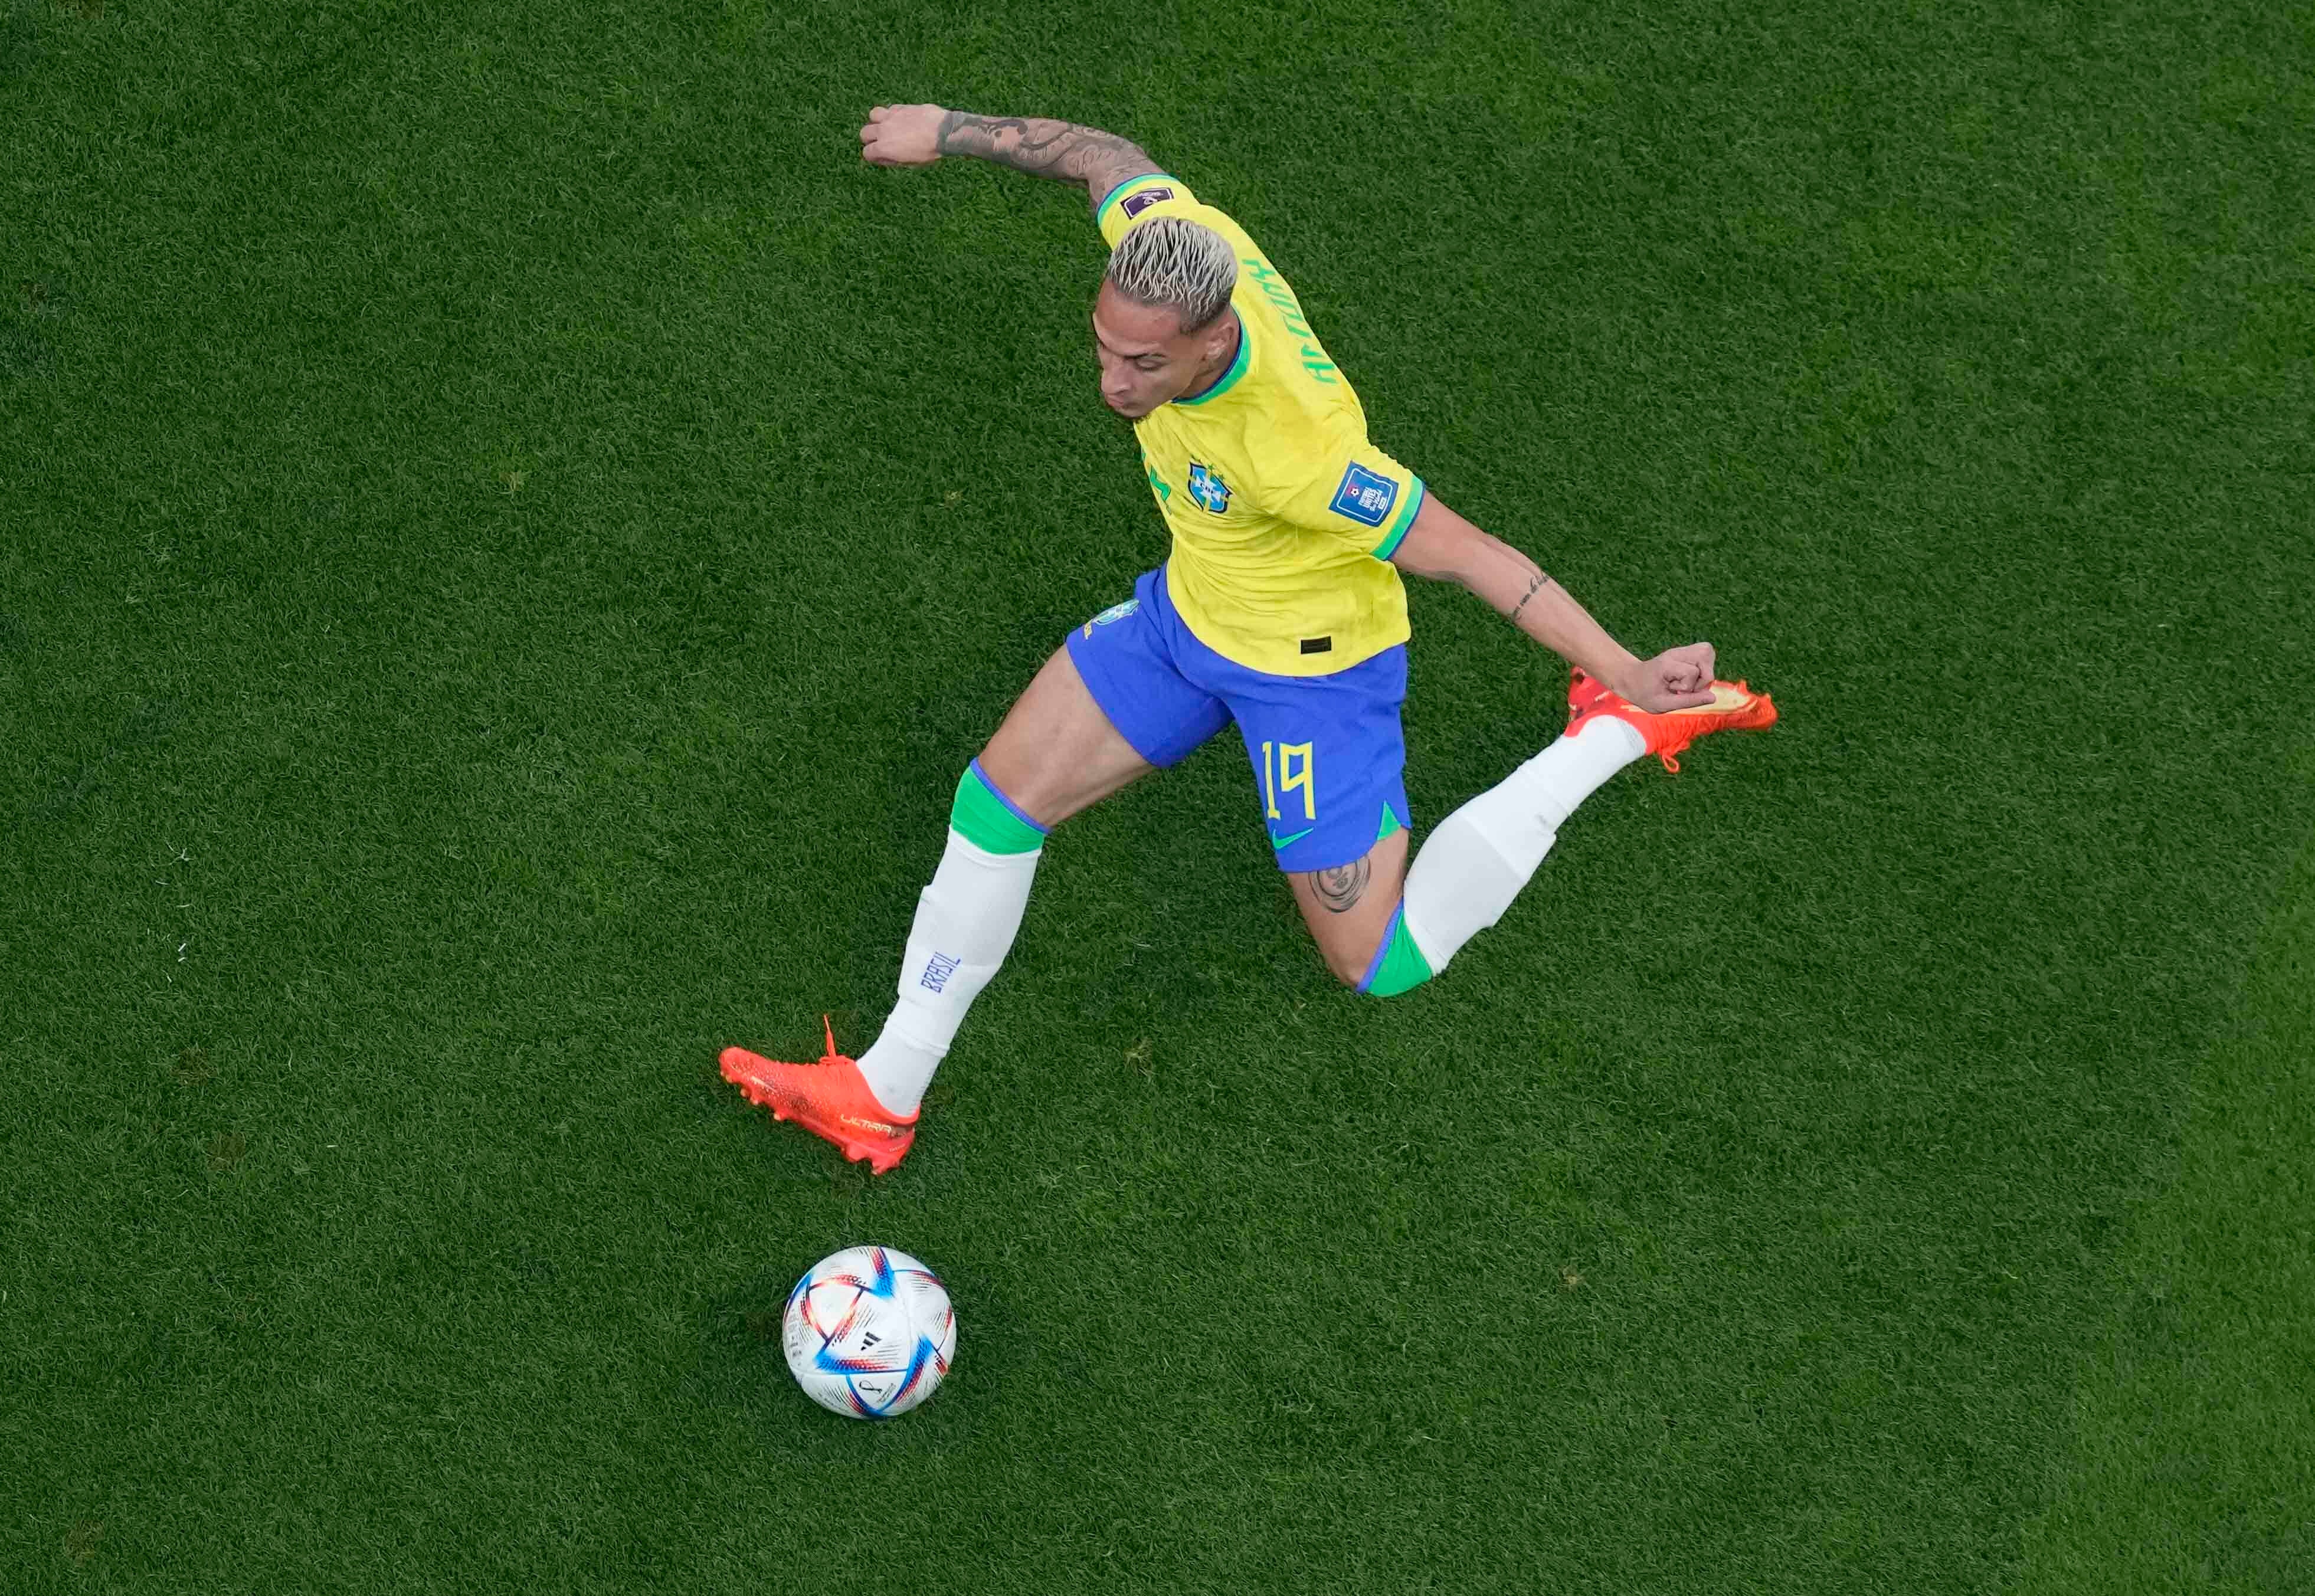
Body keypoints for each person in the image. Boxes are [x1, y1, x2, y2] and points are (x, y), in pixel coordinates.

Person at [720, 105, 1777, 1172]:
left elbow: (1473, 558)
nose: (1112, 384)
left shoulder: (1301, 451)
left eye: (1143, 364)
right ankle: (882, 1091)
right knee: (996, 803)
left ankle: (1616, 730)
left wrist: (1629, 668)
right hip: (1191, 617)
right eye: (1101, 346)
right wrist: (942, 129)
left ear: (1215, 341)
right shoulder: (1174, 242)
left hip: (1316, 674)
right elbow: (1105, 158)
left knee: (1380, 962)